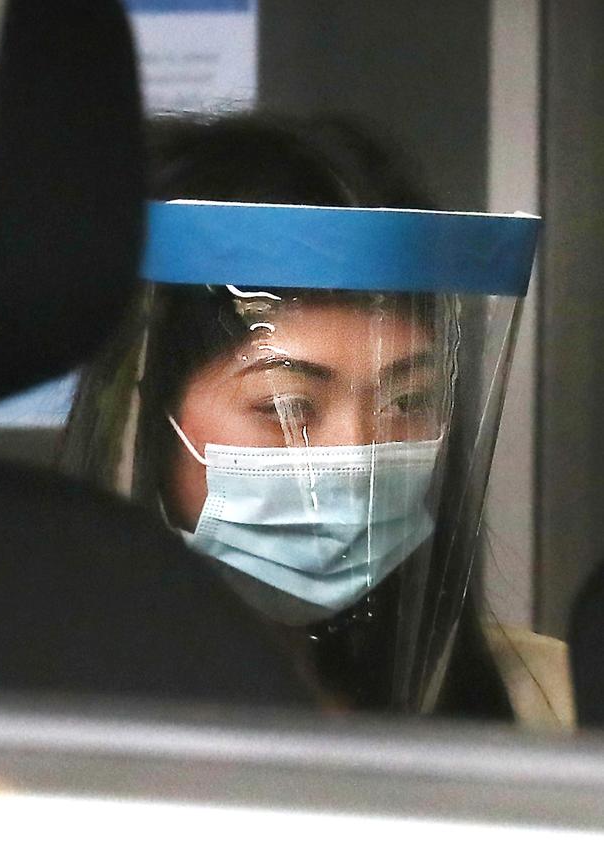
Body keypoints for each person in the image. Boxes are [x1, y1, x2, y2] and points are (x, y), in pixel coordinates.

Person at [62, 112, 569, 726]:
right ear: (143, 416)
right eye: (286, 407)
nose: (356, 456)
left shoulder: (553, 704)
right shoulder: (15, 716)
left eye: (406, 402)